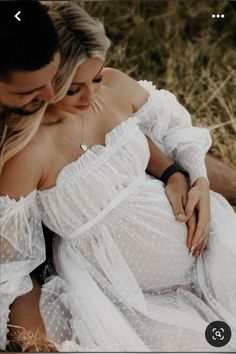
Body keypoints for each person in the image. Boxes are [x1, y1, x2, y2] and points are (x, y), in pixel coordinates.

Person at [0, 1, 236, 352]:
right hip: (119, 293)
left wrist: (187, 176)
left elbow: (168, 129)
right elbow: (12, 266)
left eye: (94, 78)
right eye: (72, 88)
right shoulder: (27, 155)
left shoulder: (109, 88)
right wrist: (33, 342)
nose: (89, 96)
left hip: (204, 243)